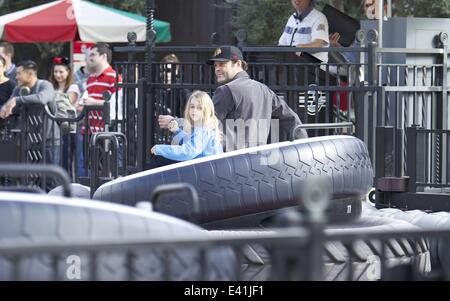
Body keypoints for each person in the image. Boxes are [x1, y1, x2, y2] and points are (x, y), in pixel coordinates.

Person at [159, 46, 308, 152]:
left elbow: (204, 124)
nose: (217, 68)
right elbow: (291, 119)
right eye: (215, 65)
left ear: (238, 64)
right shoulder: (264, 90)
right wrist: (304, 145)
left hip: (229, 165)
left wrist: (175, 122)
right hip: (259, 162)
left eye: (222, 64)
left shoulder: (225, 91)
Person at [0, 60, 58, 166]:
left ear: (30, 74)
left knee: (52, 179)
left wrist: (17, 100)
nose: (16, 77)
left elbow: (42, 98)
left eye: (19, 73)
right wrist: (4, 109)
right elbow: (7, 106)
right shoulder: (18, 89)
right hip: (30, 142)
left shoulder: (45, 85)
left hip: (49, 141)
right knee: (31, 179)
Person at [77, 42, 122, 176]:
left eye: (93, 54)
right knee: (92, 171)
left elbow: (119, 105)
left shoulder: (114, 77)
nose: (89, 58)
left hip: (106, 131)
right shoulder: (91, 78)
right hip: (89, 131)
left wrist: (94, 102)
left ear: (103, 56)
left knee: (106, 172)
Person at [149, 90, 223, 169]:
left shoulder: (203, 129)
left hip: (204, 170)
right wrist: (177, 131)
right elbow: (191, 141)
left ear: (206, 110)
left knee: (159, 159)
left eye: (199, 108)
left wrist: (160, 149)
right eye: (192, 107)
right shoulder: (201, 125)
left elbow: (189, 151)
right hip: (204, 166)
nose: (194, 110)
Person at [49, 56, 80, 173]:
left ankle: (67, 188)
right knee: (54, 163)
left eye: (61, 72)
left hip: (68, 130)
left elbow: (67, 103)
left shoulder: (73, 87)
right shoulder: (52, 87)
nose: (58, 74)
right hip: (53, 131)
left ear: (68, 72)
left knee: (66, 162)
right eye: (55, 71)